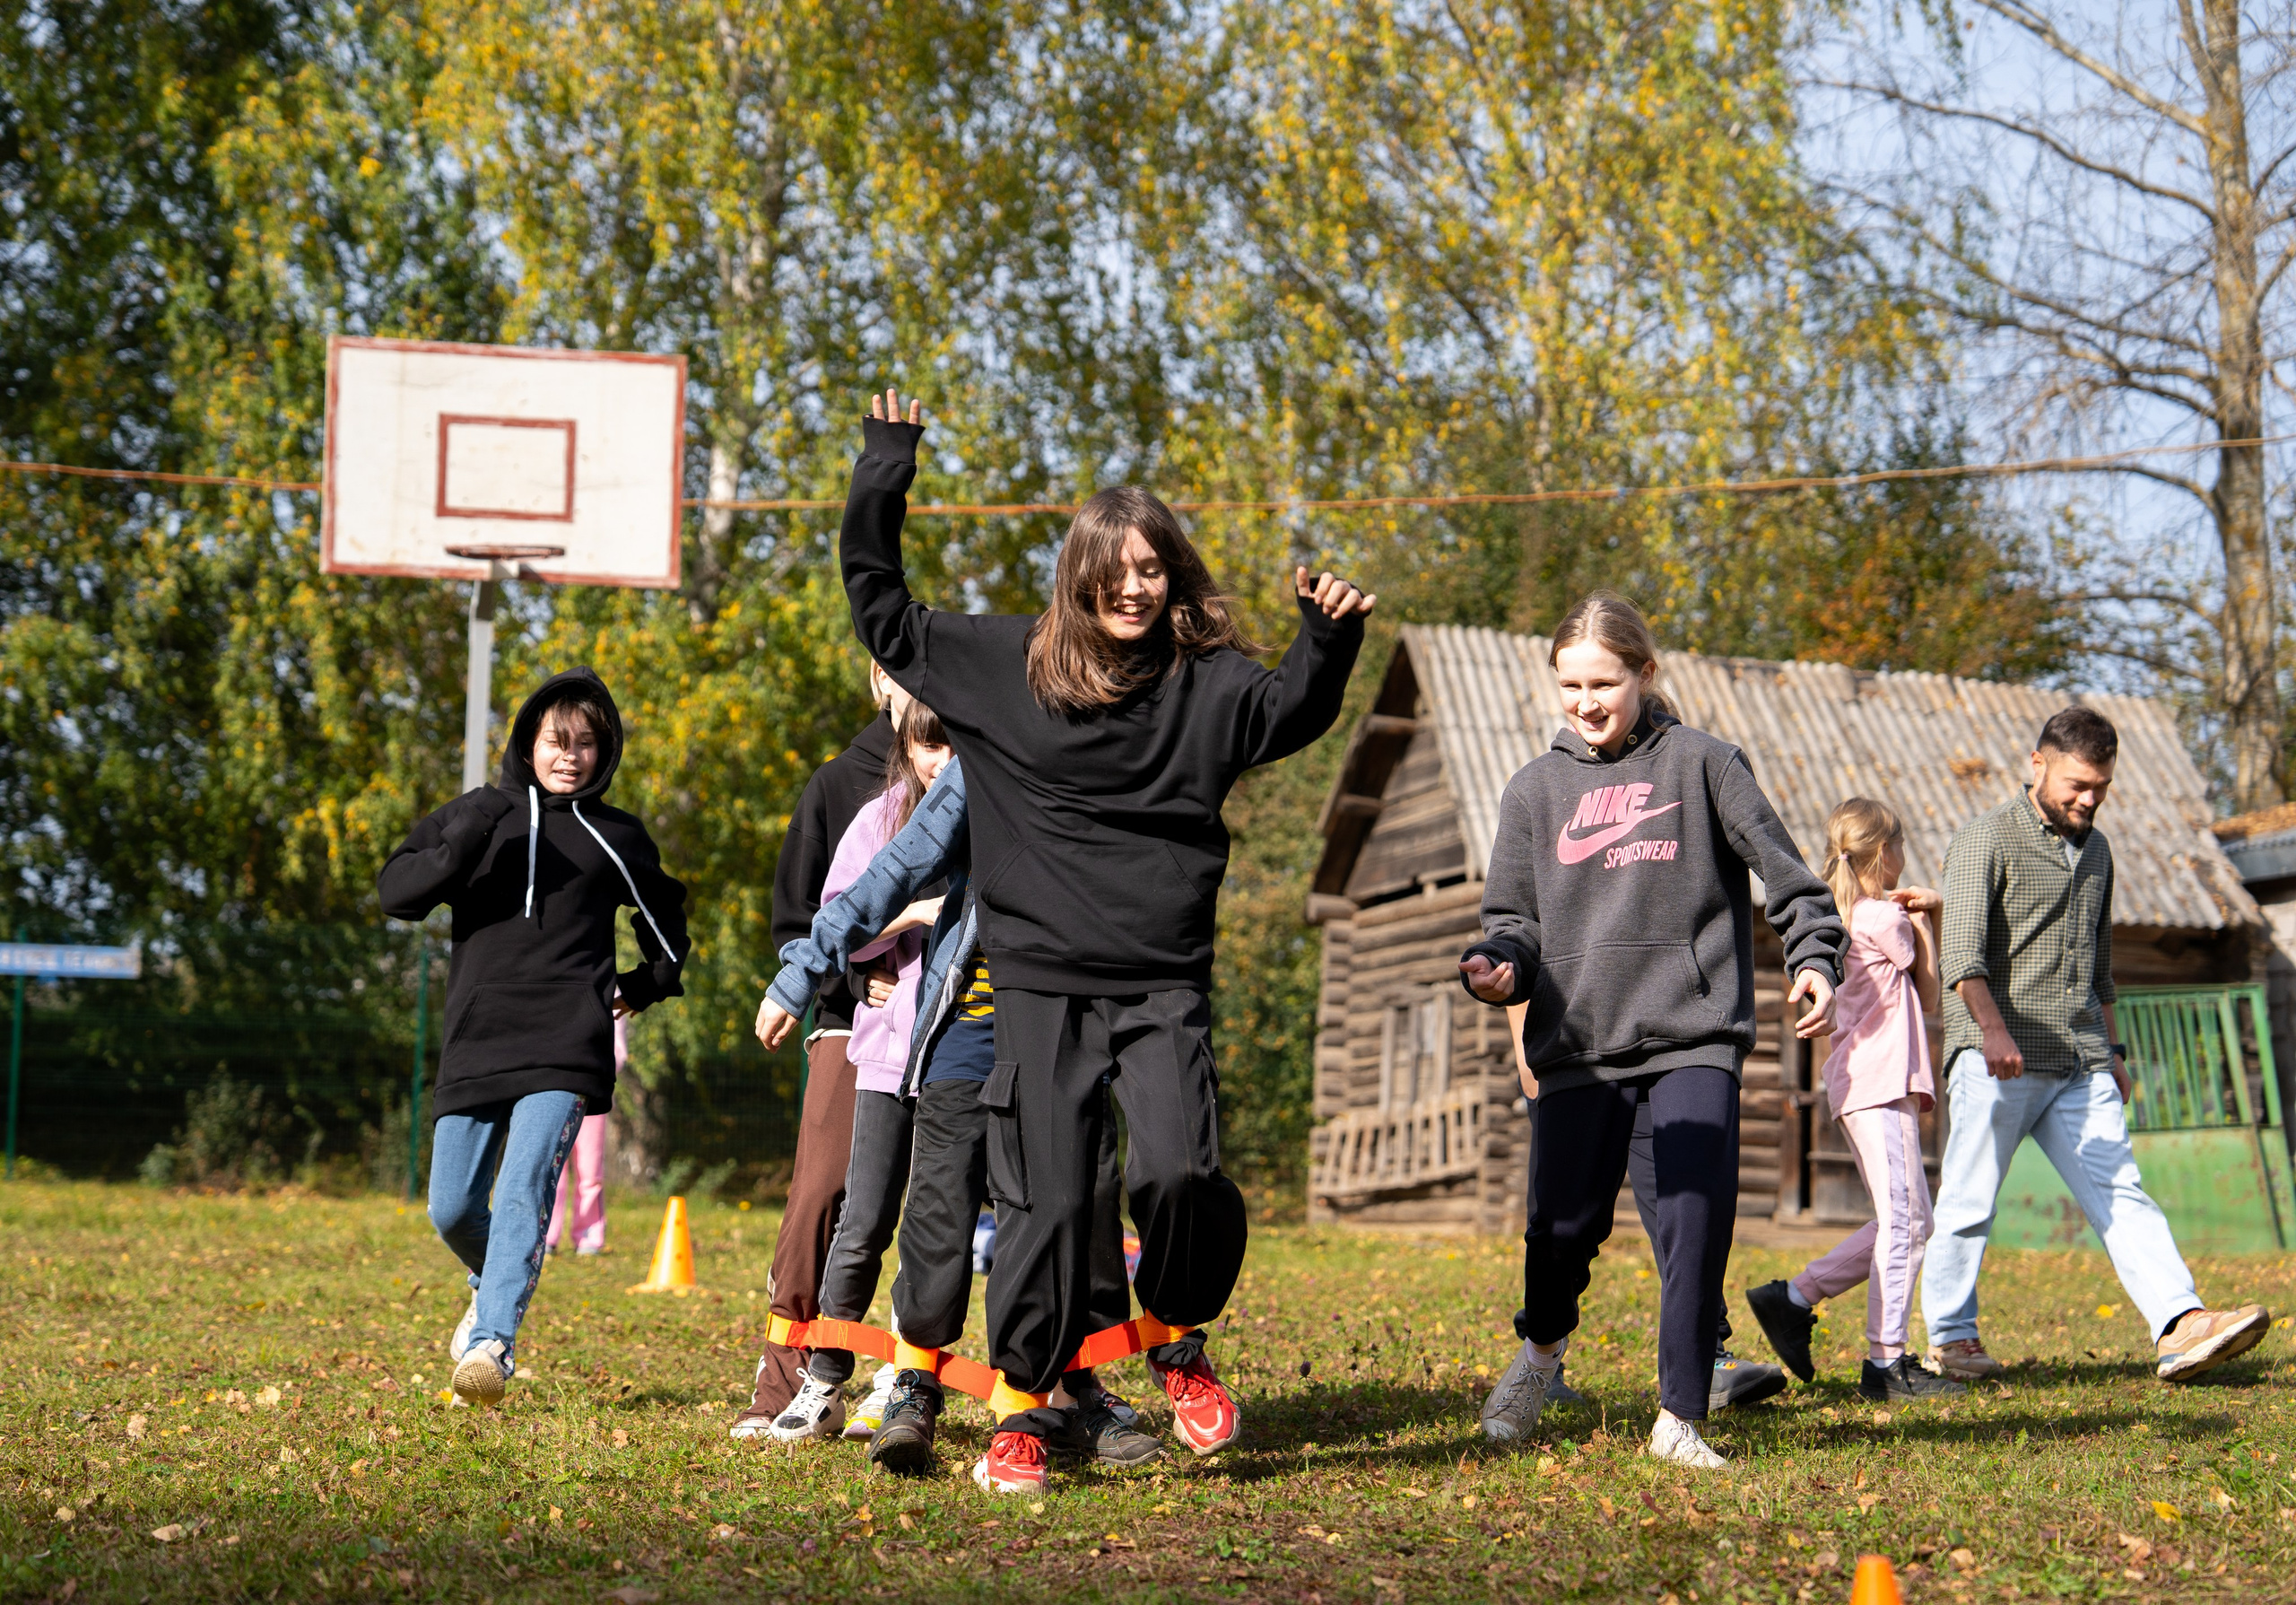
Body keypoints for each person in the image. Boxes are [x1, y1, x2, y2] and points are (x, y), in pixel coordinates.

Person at [841, 387, 1372, 1494]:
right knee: (1042, 1205)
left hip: (1160, 983)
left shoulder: (1203, 683)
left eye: (1151, 569)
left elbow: (1287, 710)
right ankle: (1024, 1413)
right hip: (1038, 986)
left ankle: (1176, 1331)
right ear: (1076, 578)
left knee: (1182, 1174)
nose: (1134, 588)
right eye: (1113, 572)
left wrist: (1328, 638)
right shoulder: (1008, 665)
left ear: (1173, 576)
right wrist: (887, 465)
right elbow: (883, 610)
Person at [1459, 591, 1843, 1470]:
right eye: (1570, 685)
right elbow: (1512, 920)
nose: (1586, 702)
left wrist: (1816, 957)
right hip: (1580, 1047)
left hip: (1691, 1034)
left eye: (1603, 682)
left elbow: (1788, 878)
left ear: (1644, 672)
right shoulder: (1534, 790)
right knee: (1559, 1231)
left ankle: (1679, 1414)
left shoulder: (1706, 764)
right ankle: (1540, 1357)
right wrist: (1499, 964)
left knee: (1693, 1218)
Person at [755, 755, 1159, 1475]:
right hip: (963, 1031)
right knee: (935, 1220)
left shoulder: (1103, 758)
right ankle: (914, 1387)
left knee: (1066, 1213)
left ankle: (1073, 1394)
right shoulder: (975, 762)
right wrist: (804, 972)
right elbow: (887, 873)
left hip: (1060, 1035)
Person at [1918, 707, 2270, 1383]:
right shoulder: (1984, 837)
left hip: (2080, 1057)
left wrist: (2114, 1051)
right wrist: (1992, 1031)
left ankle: (2180, 1324)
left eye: (2100, 787)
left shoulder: (2099, 850)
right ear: (2038, 763)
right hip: (1998, 1055)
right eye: (2077, 784)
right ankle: (1953, 1340)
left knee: (2122, 1188)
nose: (2088, 798)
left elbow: (2100, 964)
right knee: (1969, 1199)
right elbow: (1961, 954)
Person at [378, 668, 687, 1407]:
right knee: (451, 1207)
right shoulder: (478, 812)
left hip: (566, 1042)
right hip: (478, 1037)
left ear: (604, 752)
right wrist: (468, 836)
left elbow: (667, 926)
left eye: (586, 744)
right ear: (527, 743)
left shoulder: (617, 835)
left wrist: (645, 983)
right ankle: (490, 1289)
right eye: (556, 741)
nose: (570, 756)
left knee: (522, 1188)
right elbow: (398, 892)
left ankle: (492, 1343)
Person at [761, 699, 952, 1441]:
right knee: (862, 1218)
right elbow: (839, 924)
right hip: (884, 1055)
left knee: (935, 1228)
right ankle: (822, 1380)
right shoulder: (878, 817)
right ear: (906, 744)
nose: (941, 761)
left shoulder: (993, 812)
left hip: (961, 1062)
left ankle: (909, 1381)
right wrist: (913, 915)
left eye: (954, 745)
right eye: (928, 745)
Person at [731, 667, 903, 1437]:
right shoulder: (837, 784)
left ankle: (904, 1379)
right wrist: (857, 977)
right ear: (877, 678)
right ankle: (788, 1381)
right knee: (821, 1194)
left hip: (954, 1024)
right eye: (896, 666)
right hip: (848, 1021)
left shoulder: (979, 771)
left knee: (936, 1207)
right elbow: (799, 920)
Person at [1744, 798, 1963, 1403]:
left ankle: (1793, 1298)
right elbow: (1929, 993)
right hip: (1881, 1080)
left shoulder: (1844, 917)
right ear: (1885, 852)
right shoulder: (1885, 919)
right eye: (1901, 845)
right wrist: (1931, 916)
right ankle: (1886, 1362)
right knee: (1906, 1222)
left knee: (1912, 1220)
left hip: (1861, 1084)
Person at [1504, 1002, 1787, 1413]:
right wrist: (1524, 1048)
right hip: (1576, 1056)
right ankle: (1543, 1359)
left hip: (1659, 1052)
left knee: (1683, 1208)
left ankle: (1706, 1355)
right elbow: (1525, 962)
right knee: (1561, 1221)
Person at [546, 1016, 622, 1256]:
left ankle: (588, 1235)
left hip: (592, 1092)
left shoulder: (611, 999)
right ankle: (546, 1235)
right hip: (552, 1091)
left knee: (590, 1171)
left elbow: (618, 1050)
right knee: (551, 1167)